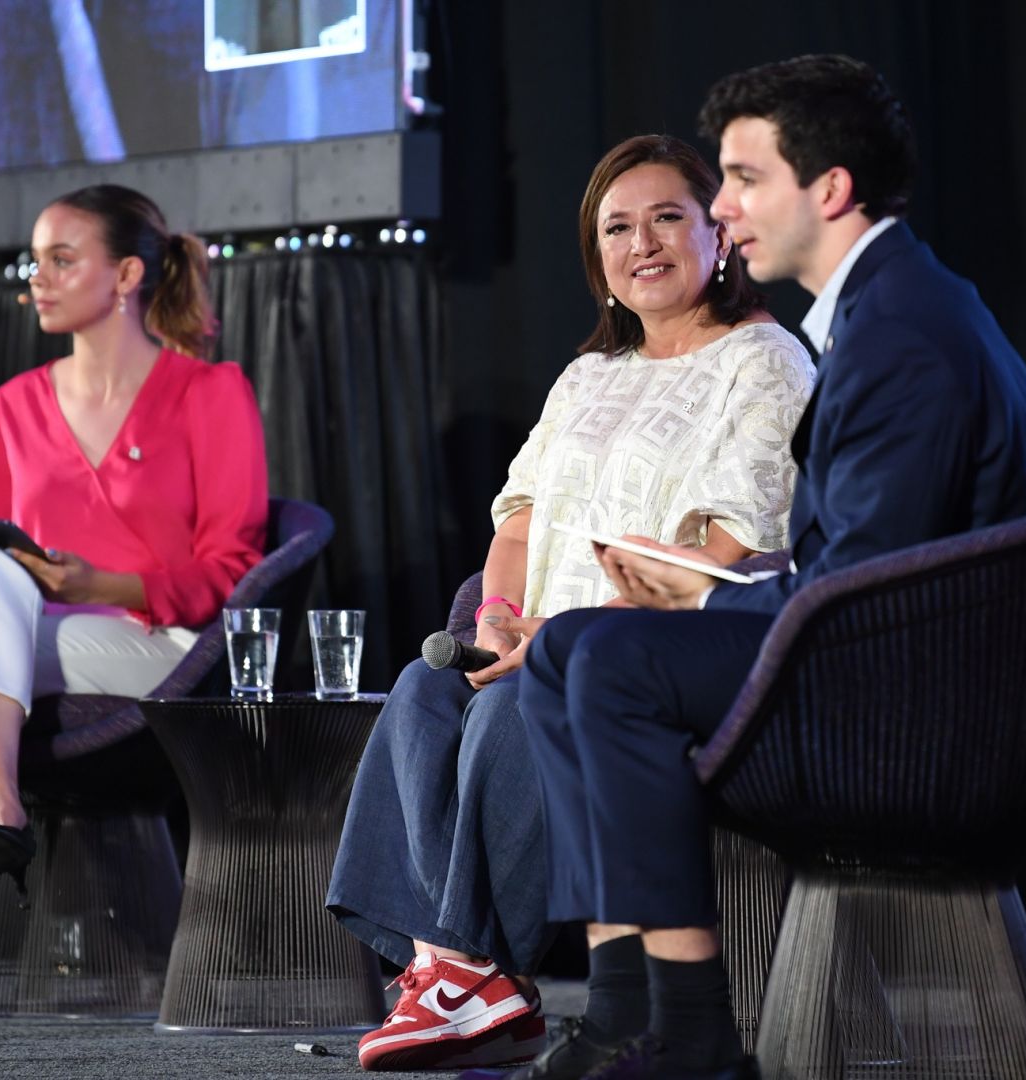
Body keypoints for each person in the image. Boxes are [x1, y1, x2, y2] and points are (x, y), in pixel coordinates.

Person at [503, 55, 1026, 1080]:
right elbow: (865, 555)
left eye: (743, 179)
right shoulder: (883, 310)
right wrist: (716, 590)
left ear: (830, 189)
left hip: (934, 712)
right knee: (570, 647)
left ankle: (692, 1028)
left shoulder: (903, 333)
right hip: (897, 650)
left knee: (616, 660)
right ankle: (624, 1005)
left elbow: (864, 592)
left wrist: (721, 591)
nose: (722, 207)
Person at [326, 134, 815, 1071]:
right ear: (597, 261)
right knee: (425, 690)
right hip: (541, 645)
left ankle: (470, 975)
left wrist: (551, 641)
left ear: (717, 232)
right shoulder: (588, 376)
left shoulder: (764, 361)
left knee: (518, 698)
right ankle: (451, 968)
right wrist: (497, 619)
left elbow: (738, 545)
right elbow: (517, 524)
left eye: (668, 216)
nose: (644, 243)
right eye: (616, 228)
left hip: (664, 661)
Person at [0, 185, 268, 1027]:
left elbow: (231, 569)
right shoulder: (3, 410)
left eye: (63, 260)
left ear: (129, 273)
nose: (38, 279)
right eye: (35, 262)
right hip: (31, 641)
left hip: (163, 644)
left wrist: (94, 584)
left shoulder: (212, 394)